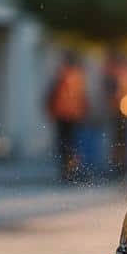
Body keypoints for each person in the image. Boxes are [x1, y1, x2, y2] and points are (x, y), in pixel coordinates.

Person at [45, 51, 88, 182]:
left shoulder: (62, 75)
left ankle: (67, 170)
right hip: (73, 114)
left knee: (64, 143)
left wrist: (51, 110)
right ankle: (70, 169)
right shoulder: (78, 76)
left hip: (63, 114)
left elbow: (51, 95)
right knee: (72, 143)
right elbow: (82, 97)